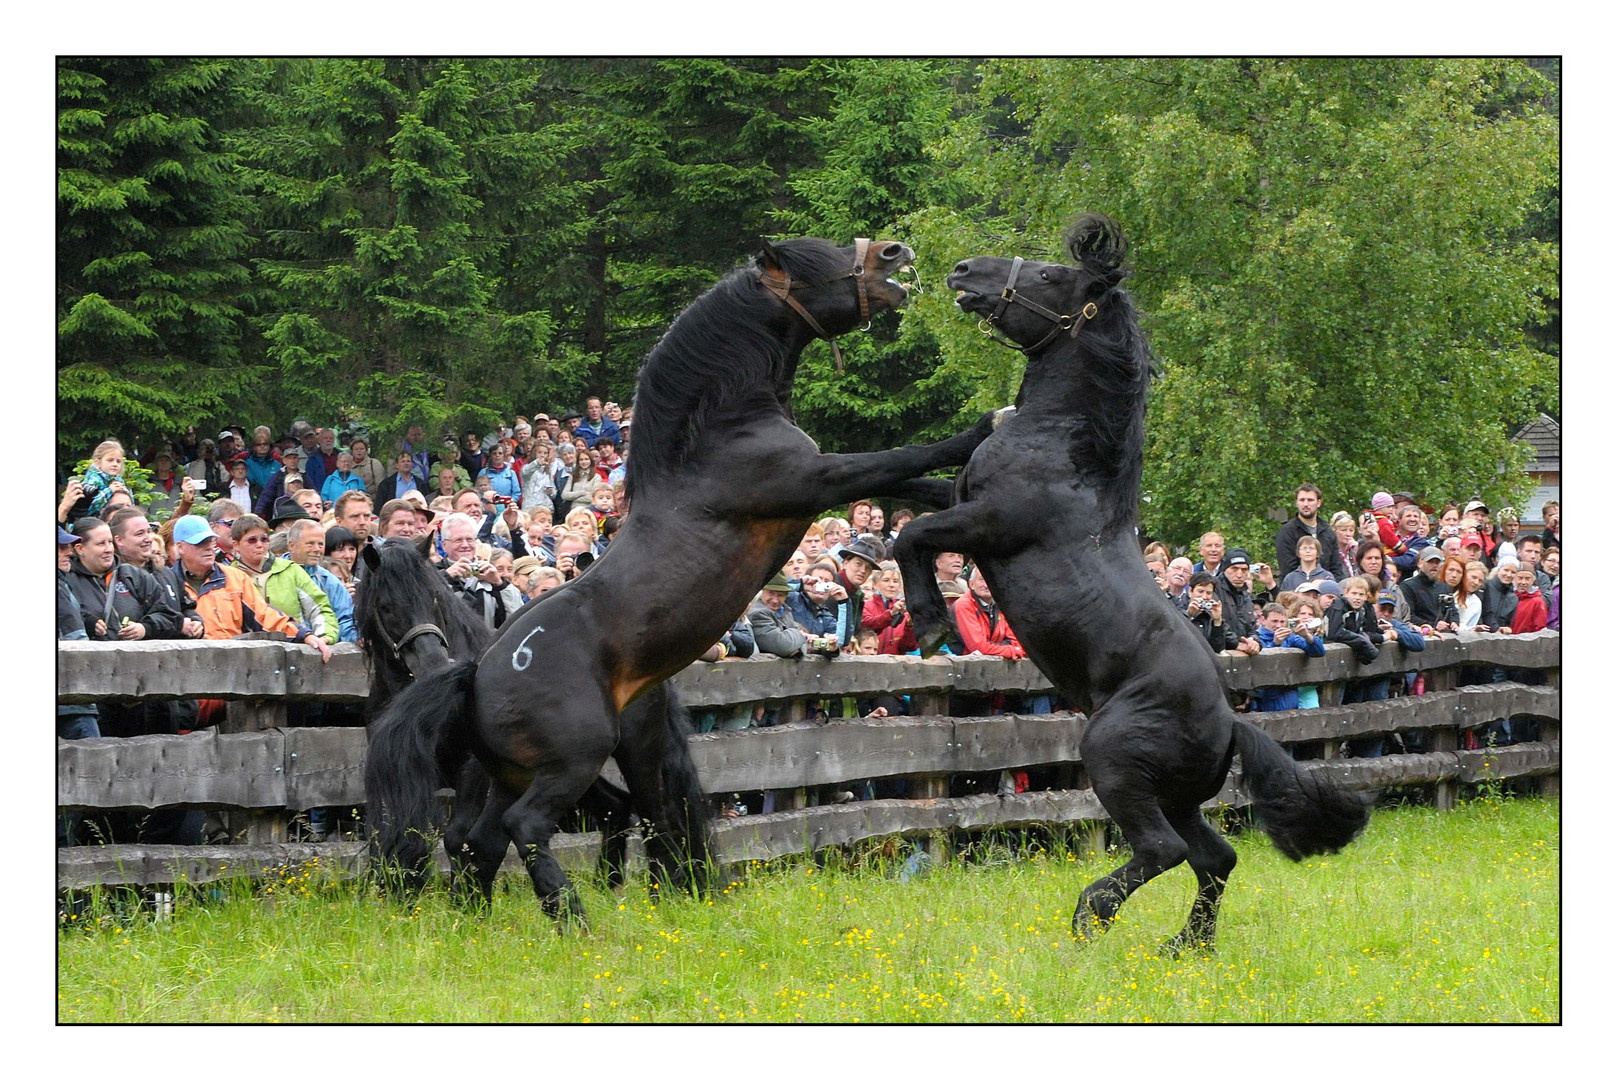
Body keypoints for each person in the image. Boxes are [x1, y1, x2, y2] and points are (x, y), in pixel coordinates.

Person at [232, 514, 339, 645]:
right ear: (236, 544)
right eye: (252, 540)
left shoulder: (291, 570)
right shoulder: (228, 577)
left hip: (295, 650)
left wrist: (324, 638)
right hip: (244, 653)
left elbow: (319, 608)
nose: (259, 545)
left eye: (264, 539)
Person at [439, 512, 524, 629]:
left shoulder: (489, 572)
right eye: (458, 540)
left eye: (469, 539)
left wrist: (499, 585)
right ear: (444, 545)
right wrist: (445, 577)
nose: (465, 545)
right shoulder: (432, 572)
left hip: (488, 644)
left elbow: (516, 620)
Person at [287, 518, 356, 643]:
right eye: (310, 543)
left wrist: (355, 639)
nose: (317, 549)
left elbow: (345, 618)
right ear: (292, 545)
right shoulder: (273, 573)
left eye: (320, 544)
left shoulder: (330, 581)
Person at [1250, 602, 1326, 711]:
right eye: (1274, 621)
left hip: (1290, 697)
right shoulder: (1256, 638)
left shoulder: (1290, 637)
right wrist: (1275, 644)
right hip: (1266, 698)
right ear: (1263, 620)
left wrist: (1307, 635)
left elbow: (1319, 652)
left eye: (1282, 621)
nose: (1279, 626)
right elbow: (1260, 665)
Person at [1274, 483, 1348, 579]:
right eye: (1302, 500)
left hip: (1327, 588)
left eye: (1310, 500)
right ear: (1296, 502)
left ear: (1319, 503)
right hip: (1295, 589)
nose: (1306, 504)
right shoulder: (1287, 532)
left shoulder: (1328, 532)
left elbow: (1336, 568)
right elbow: (1288, 568)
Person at [953, 565, 1026, 659]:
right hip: (962, 667)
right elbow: (979, 648)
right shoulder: (964, 605)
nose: (986, 584)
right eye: (981, 579)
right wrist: (1012, 651)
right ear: (971, 584)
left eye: (990, 580)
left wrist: (1009, 649)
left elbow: (1017, 642)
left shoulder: (1000, 605)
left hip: (991, 665)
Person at [787, 559, 855, 647]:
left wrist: (843, 603)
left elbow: (842, 641)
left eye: (827, 582)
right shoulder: (792, 598)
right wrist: (801, 584)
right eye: (817, 580)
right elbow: (773, 588)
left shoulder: (826, 617)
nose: (821, 584)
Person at [748, 573, 814, 658]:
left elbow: (802, 648)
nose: (775, 600)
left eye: (780, 595)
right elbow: (782, 646)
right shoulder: (757, 613)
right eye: (771, 593)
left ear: (786, 596)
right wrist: (801, 635)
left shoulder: (785, 610)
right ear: (761, 592)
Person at [1213, 549, 1263, 654]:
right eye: (1234, 569)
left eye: (1244, 570)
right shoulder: (1213, 589)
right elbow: (1215, 623)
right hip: (1218, 653)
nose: (1239, 574)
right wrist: (1236, 644)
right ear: (1225, 569)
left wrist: (1254, 641)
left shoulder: (1245, 594)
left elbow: (1253, 626)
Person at [862, 560, 918, 655]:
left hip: (895, 666)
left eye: (895, 581)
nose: (891, 585)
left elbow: (909, 646)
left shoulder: (905, 611)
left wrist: (910, 626)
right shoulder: (866, 606)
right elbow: (868, 625)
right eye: (886, 580)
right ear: (875, 584)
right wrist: (891, 614)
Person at [1398, 546, 1452, 631]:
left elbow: (1452, 611)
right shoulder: (1407, 586)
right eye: (1430, 562)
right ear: (1420, 563)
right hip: (1420, 633)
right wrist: (1433, 625)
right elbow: (1408, 616)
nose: (1434, 565)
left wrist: (1454, 623)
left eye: (1437, 562)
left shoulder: (1445, 587)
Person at [1184, 572, 1240, 653]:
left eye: (1208, 593)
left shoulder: (1210, 616)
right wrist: (1189, 615)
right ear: (1190, 591)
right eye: (1200, 591)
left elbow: (1217, 648)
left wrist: (1217, 622)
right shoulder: (1178, 608)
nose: (1204, 597)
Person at [1479, 557, 1519, 633]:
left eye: (1513, 572)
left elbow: (1508, 622)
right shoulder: (1486, 586)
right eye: (1506, 570)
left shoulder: (1513, 598)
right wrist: (1495, 629)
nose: (1509, 574)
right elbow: (1484, 613)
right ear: (1498, 570)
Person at [1509, 565, 1548, 634]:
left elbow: (1540, 628)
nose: (1523, 582)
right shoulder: (1508, 596)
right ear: (1514, 579)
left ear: (1533, 580)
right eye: (1520, 578)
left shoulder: (1538, 602)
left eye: (1527, 579)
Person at [1456, 560, 1488, 630]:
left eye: (1480, 581)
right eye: (1474, 577)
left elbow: (1470, 625)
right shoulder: (1452, 593)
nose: (1476, 582)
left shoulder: (1476, 602)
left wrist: (1473, 629)